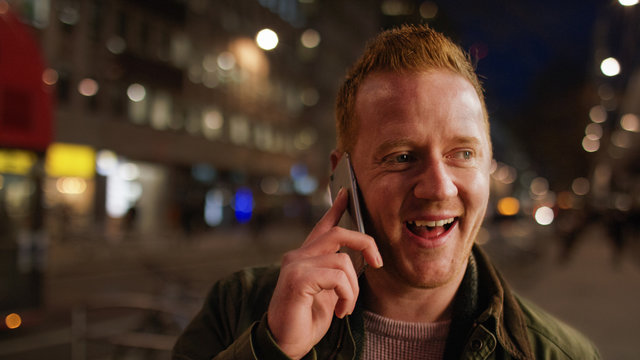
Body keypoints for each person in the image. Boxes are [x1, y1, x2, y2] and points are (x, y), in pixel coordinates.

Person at [172, 24, 600, 360]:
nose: (437, 186)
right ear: (342, 177)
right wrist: (271, 351)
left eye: (462, 153)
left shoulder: (561, 354)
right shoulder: (238, 310)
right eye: (400, 156)